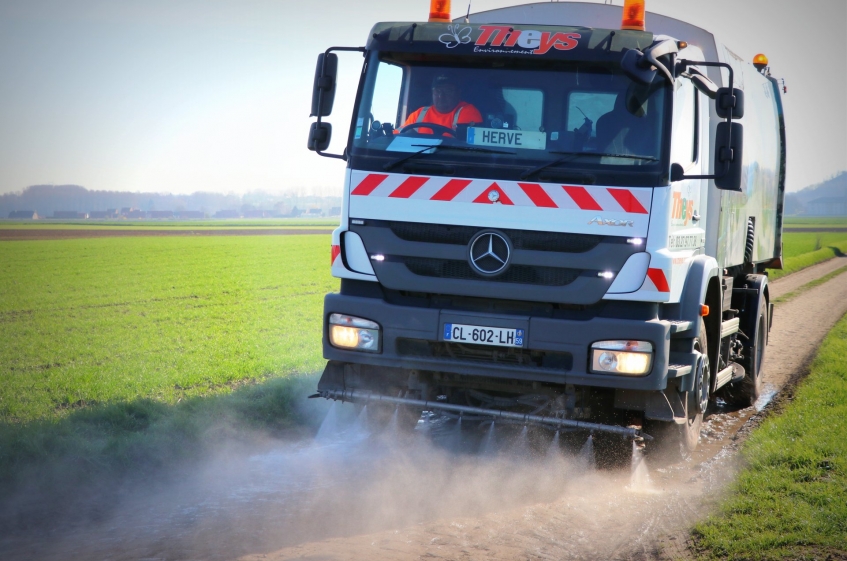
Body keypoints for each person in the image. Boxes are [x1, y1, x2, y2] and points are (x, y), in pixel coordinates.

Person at [400, 74, 483, 135]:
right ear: (432, 93)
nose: (441, 96)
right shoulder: (419, 114)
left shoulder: (468, 112)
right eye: (437, 91)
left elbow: (467, 147)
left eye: (447, 91)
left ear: (458, 93)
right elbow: (397, 135)